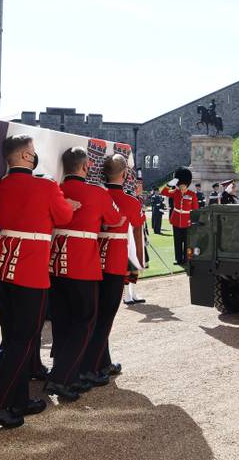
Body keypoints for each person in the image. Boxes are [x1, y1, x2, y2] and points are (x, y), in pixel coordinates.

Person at [0, 135, 74, 428]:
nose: (35, 157)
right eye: (32, 152)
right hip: (30, 269)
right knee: (24, 340)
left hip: (3, 267)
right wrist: (68, 203)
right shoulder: (46, 186)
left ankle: (18, 398)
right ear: (23, 156)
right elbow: (65, 216)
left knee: (13, 338)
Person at [46, 146, 122, 402]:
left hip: (54, 264)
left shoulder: (55, 190)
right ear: (85, 167)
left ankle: (62, 369)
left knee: (62, 319)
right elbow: (115, 219)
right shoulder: (95, 193)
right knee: (85, 321)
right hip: (82, 265)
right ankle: (63, 377)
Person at [80, 154, 143, 382]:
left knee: (95, 315)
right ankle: (92, 367)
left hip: (93, 258)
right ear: (124, 174)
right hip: (114, 261)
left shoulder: (97, 194)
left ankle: (102, 361)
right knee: (105, 318)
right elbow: (137, 223)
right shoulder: (128, 200)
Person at [160, 167, 199, 266]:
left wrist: (194, 221)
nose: (182, 187)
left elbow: (195, 209)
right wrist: (171, 183)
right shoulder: (175, 193)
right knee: (177, 242)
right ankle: (178, 260)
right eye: (180, 185)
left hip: (187, 221)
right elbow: (163, 192)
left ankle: (188, 259)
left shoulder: (192, 194)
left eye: (183, 185)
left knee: (187, 243)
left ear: (187, 184)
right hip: (176, 220)